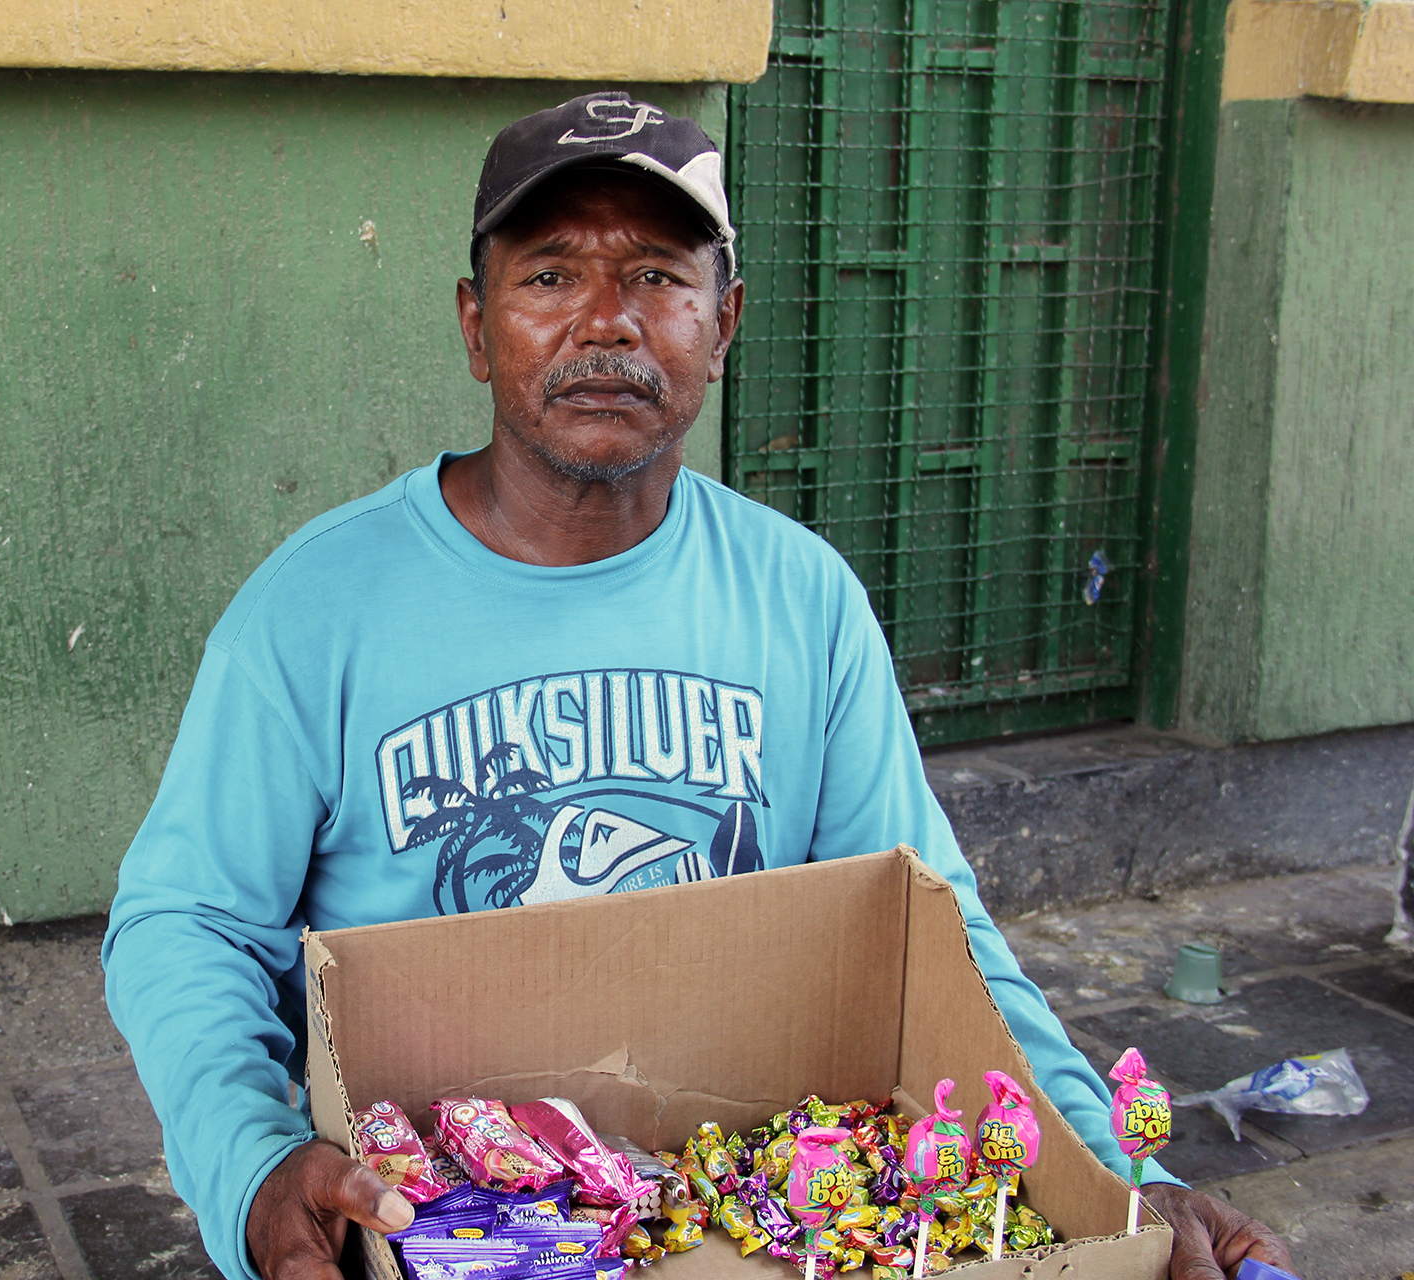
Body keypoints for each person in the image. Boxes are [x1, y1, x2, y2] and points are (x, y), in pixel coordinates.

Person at [103, 92, 1293, 1280]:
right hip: (436, 1223)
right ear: (476, 327)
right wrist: (254, 1166)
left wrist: (1114, 1173)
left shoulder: (803, 600)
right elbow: (185, 924)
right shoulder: (315, 608)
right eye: (551, 275)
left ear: (724, 325)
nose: (608, 322)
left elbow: (942, 932)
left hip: (735, 1219)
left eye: (661, 276)